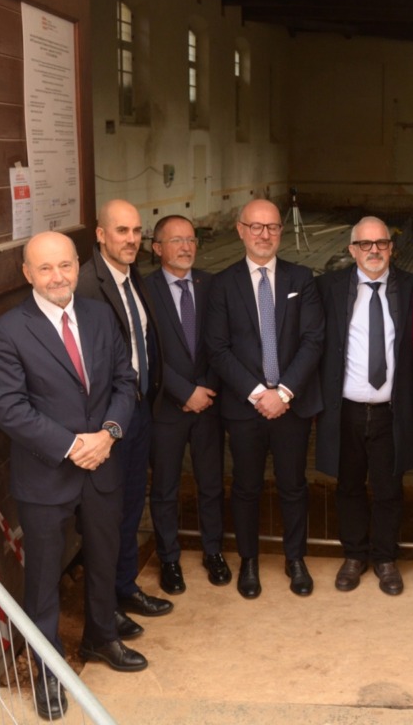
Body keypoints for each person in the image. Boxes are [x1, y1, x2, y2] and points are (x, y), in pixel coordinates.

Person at [0, 232, 145, 719]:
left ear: (78, 266)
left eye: (66, 266)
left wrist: (110, 434)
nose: (58, 277)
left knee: (104, 557)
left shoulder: (99, 315)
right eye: (46, 268)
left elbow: (126, 379)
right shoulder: (9, 330)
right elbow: (9, 408)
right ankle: (47, 667)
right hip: (47, 477)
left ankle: (101, 638)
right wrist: (74, 445)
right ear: (27, 273)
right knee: (43, 579)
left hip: (103, 464)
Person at [205, 198, 324, 598]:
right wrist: (259, 394)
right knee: (246, 487)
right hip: (245, 408)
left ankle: (295, 559)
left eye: (272, 227)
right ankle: (249, 561)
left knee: (293, 485)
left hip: (290, 406)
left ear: (281, 232)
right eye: (256, 227)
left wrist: (284, 392)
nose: (264, 234)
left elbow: (312, 339)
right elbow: (218, 348)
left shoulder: (301, 278)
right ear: (240, 230)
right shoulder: (222, 284)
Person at [75, 199, 174, 637]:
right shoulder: (85, 285)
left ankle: (124, 585)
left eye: (136, 231)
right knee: (105, 517)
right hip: (104, 423)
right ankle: (103, 608)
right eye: (121, 231)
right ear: (100, 235)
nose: (132, 239)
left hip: (139, 413)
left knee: (132, 506)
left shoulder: (137, 280)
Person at [316, 216, 413, 596]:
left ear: (392, 247)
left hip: (392, 410)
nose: (374, 250)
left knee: (390, 487)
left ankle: (386, 558)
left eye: (381, 243)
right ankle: (354, 555)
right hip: (346, 409)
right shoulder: (329, 288)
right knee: (349, 487)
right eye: (365, 244)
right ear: (351, 250)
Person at [143, 215, 230, 594]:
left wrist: (206, 388)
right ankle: (169, 559)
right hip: (167, 407)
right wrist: (184, 391)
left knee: (211, 483)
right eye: (176, 240)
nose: (186, 247)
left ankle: (214, 551)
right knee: (164, 488)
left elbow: (224, 342)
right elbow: (147, 354)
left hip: (209, 404)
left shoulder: (213, 285)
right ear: (157, 248)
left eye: (191, 239)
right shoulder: (143, 291)